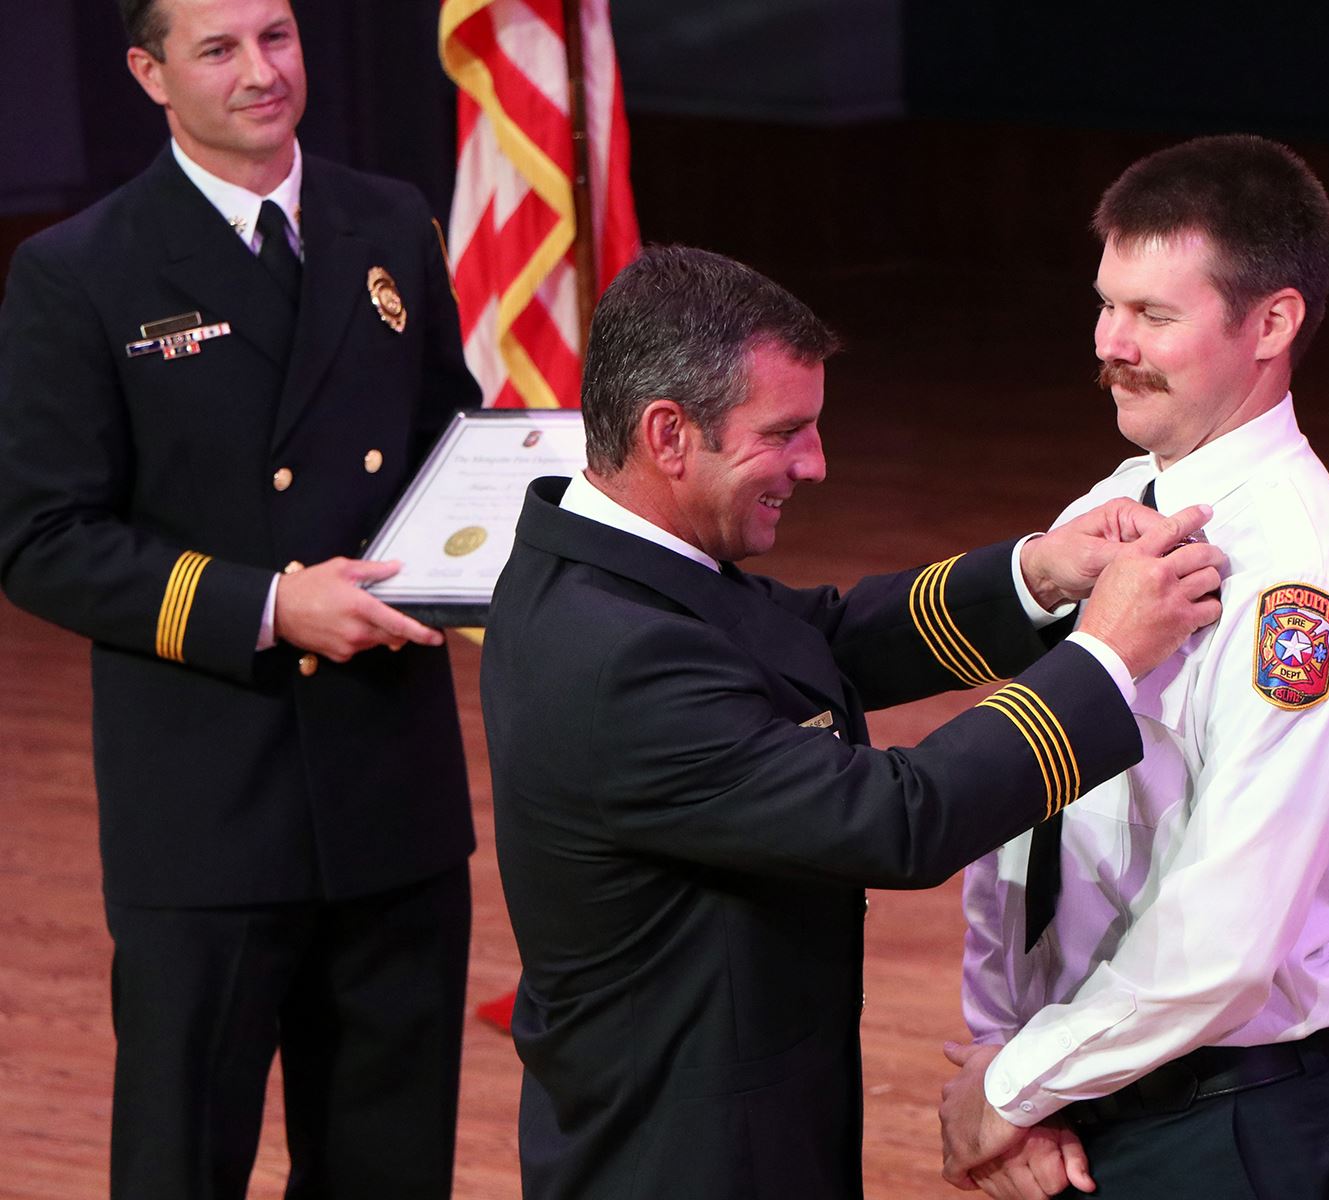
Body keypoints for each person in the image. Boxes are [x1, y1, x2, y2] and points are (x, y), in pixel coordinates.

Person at [480, 243, 1225, 1198]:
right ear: (668, 434)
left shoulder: (618, 570)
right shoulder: (616, 656)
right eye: (785, 432)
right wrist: (1107, 657)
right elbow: (895, 820)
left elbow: (825, 637)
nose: (816, 464)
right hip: (684, 1152)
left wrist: (1037, 573)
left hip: (724, 1102)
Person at [0, 1, 478, 1196]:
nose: (262, 72)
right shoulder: (78, 272)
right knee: (182, 1159)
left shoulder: (389, 220)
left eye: (278, 36)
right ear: (147, 73)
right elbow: (41, 538)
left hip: (389, 779)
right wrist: (267, 606)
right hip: (209, 795)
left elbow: (441, 445)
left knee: (390, 1161)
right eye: (219, 49)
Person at [940, 134, 1329, 1200]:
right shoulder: (1100, 513)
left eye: (1155, 315)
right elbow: (1031, 819)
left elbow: (1225, 937)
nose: (1111, 342)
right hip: (1090, 1099)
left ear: (1272, 323)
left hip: (1238, 1132)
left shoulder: (1304, 592)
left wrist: (1014, 1085)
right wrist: (1002, 1054)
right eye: (1108, 303)